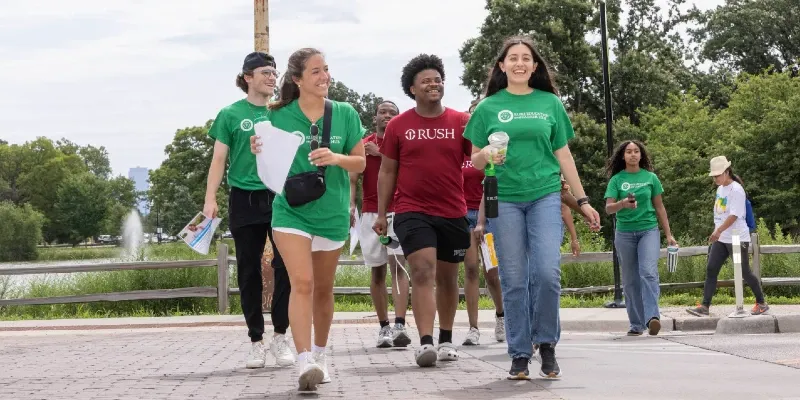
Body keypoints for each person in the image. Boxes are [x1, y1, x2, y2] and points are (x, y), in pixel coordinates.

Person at [464, 36, 600, 380]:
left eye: (526, 58)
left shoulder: (550, 103)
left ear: (534, 66)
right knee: (513, 279)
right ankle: (520, 354)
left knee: (545, 273)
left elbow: (563, 154)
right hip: (504, 198)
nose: (520, 63)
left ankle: (547, 343)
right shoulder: (488, 108)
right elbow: (475, 160)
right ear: (502, 66)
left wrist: (582, 200)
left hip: (544, 196)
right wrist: (487, 156)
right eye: (513, 58)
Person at [250, 48, 366, 391]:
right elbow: (265, 156)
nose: (324, 76)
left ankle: (321, 355)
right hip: (290, 211)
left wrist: (336, 157)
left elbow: (360, 163)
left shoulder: (344, 113)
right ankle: (303, 362)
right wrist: (259, 147)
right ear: (298, 79)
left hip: (331, 211)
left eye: (326, 69)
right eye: (316, 71)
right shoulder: (277, 114)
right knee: (302, 283)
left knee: (323, 289)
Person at [373, 54, 472, 368]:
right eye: (426, 80)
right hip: (411, 209)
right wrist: (381, 213)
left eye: (438, 79)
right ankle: (426, 342)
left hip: (453, 211)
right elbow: (387, 171)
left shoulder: (460, 121)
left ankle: (445, 339)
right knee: (422, 270)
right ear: (412, 89)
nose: (434, 84)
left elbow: (480, 159)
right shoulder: (399, 126)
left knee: (447, 278)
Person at [203, 51, 294, 370]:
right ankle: (256, 340)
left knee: (287, 267)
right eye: (265, 72)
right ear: (247, 78)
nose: (272, 77)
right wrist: (210, 198)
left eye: (274, 72)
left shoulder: (284, 112)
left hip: (280, 196)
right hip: (244, 198)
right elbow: (218, 159)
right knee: (248, 271)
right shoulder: (229, 114)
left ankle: (281, 335)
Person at [348, 100, 412, 349]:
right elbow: (352, 177)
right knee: (377, 271)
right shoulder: (364, 143)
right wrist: (350, 205)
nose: (387, 116)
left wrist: (381, 153)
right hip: (370, 214)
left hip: (398, 211)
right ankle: (383, 326)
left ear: (398, 117)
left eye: (392, 113)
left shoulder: (402, 141)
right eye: (382, 112)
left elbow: (410, 168)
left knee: (399, 266)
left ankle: (400, 325)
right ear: (375, 117)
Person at [604, 140, 677, 336]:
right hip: (624, 233)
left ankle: (653, 317)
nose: (633, 154)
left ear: (641, 155)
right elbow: (608, 208)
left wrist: (669, 234)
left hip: (648, 231)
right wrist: (622, 204)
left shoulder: (651, 178)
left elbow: (660, 207)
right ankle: (636, 324)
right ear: (623, 156)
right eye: (629, 152)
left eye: (636, 151)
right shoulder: (617, 180)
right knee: (630, 280)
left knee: (648, 272)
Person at [686, 156, 769, 317]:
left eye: (717, 175)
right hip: (722, 238)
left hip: (737, 237)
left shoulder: (736, 190)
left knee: (744, 271)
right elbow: (720, 214)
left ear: (726, 172)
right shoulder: (720, 189)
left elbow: (734, 215)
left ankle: (761, 302)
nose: (715, 178)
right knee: (711, 268)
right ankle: (705, 306)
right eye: (714, 176)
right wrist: (718, 231)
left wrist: (718, 231)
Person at [461, 100, 505, 346]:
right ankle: (473, 328)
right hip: (463, 215)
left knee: (492, 272)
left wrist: (481, 220)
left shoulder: (496, 150)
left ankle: (501, 316)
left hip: (488, 214)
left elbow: (489, 186)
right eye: (471, 113)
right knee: (469, 269)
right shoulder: (462, 148)